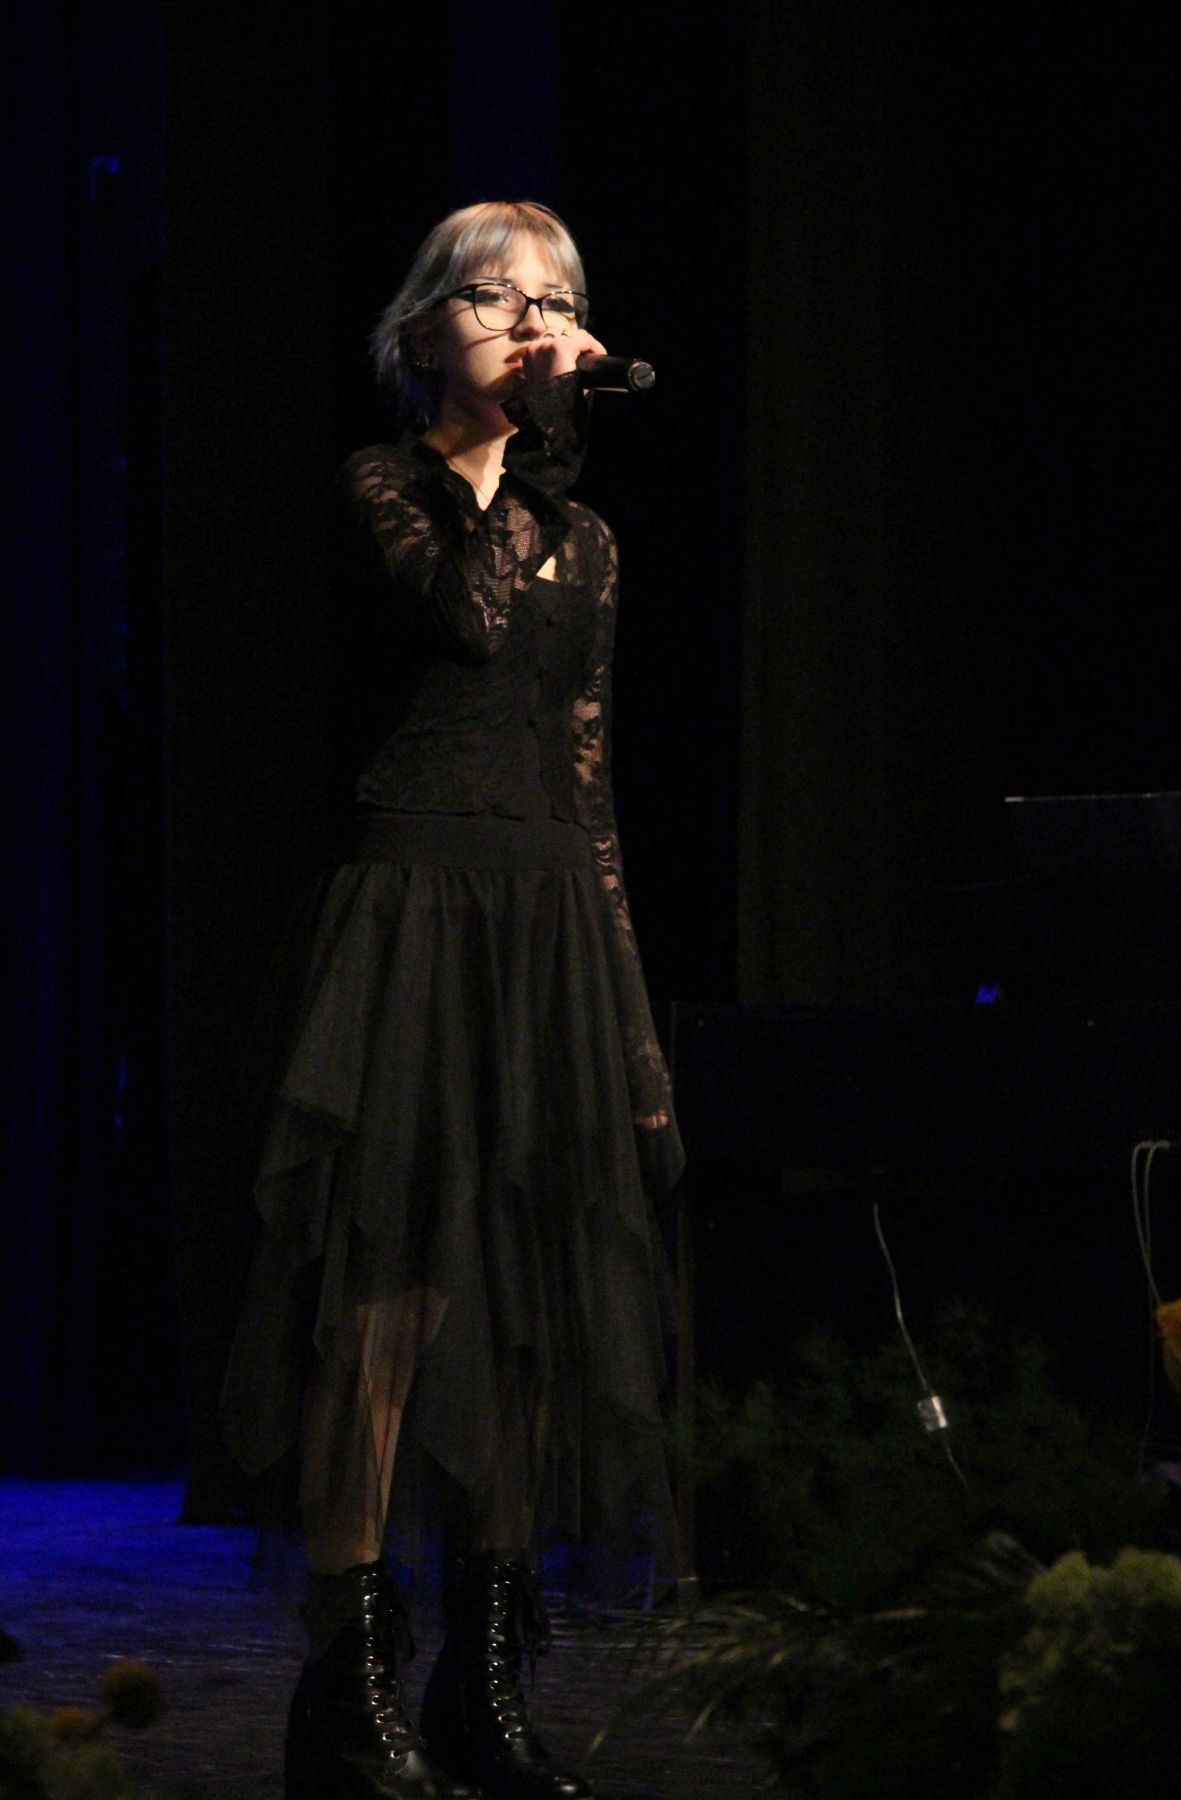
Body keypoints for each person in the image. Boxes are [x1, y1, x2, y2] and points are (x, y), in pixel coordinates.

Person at [219, 200, 684, 1800]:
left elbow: (589, 783)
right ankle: (347, 1688)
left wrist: (632, 1033)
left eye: (555, 301)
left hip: (544, 926)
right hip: (412, 917)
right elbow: (467, 623)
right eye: (497, 299)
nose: (532, 325)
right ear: (425, 331)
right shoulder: (386, 486)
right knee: (390, 1297)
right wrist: (518, 453)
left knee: (530, 1304)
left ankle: (483, 1686)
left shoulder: (589, 542)